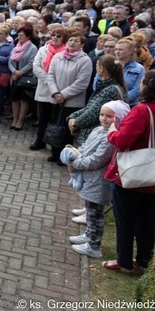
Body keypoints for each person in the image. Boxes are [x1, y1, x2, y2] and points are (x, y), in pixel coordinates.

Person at [103, 72, 155, 273]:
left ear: (146, 86)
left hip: (133, 174)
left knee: (125, 219)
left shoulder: (143, 110)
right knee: (148, 220)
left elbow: (122, 140)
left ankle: (124, 262)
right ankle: (143, 260)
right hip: (151, 178)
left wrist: (113, 130)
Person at [65, 100, 126, 259]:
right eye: (101, 115)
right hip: (90, 178)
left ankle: (94, 245)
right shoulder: (98, 130)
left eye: (109, 116)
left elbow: (98, 159)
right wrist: (75, 154)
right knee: (90, 210)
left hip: (99, 180)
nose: (103, 119)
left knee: (95, 214)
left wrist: (77, 164)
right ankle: (89, 235)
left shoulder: (110, 137)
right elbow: (85, 147)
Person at [46, 30, 94, 164]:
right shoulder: (58, 57)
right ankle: (54, 152)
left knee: (67, 130)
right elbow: (51, 76)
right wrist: (56, 93)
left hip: (72, 102)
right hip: (56, 99)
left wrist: (64, 94)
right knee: (55, 126)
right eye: (71, 40)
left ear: (82, 44)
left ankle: (64, 157)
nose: (72, 43)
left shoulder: (85, 60)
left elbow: (82, 82)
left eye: (76, 41)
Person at [67, 55, 127, 145]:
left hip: (96, 137)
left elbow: (93, 113)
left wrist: (76, 122)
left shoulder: (110, 90)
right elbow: (90, 106)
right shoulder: (109, 87)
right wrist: (73, 116)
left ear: (101, 69)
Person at [8, 26, 39, 130]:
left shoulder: (33, 48)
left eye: (22, 35)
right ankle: (14, 119)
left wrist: (20, 72)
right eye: (19, 35)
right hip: (14, 77)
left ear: (28, 36)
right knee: (14, 99)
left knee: (23, 100)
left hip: (26, 77)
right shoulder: (16, 46)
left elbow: (31, 63)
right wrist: (14, 72)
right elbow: (10, 61)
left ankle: (20, 121)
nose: (19, 37)